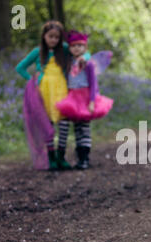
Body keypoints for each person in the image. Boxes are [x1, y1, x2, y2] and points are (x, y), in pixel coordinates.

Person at [16, 21, 89, 170]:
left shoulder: (64, 49)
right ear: (44, 36)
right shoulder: (37, 52)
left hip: (62, 91)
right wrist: (32, 79)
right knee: (47, 125)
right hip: (44, 93)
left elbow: (82, 50)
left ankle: (61, 157)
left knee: (63, 124)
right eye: (51, 36)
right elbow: (20, 67)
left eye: (57, 37)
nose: (54, 40)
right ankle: (51, 158)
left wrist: (84, 58)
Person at [56, 30, 113, 169]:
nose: (77, 48)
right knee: (76, 128)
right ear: (69, 48)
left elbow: (93, 84)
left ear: (85, 47)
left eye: (80, 45)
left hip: (85, 97)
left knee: (84, 128)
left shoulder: (88, 64)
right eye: (74, 46)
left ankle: (84, 157)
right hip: (72, 97)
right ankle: (78, 157)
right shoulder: (69, 63)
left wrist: (92, 101)